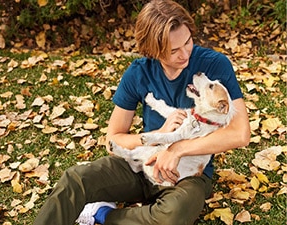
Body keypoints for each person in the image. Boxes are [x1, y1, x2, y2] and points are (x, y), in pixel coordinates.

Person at [33, 0, 250, 224]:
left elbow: (240, 133)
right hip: (141, 163)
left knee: (174, 213)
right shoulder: (138, 72)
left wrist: (177, 150)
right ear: (153, 50)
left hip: (187, 176)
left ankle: (102, 214)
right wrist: (158, 134)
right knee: (75, 179)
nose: (185, 54)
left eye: (188, 42)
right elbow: (113, 139)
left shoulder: (214, 65)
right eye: (173, 50)